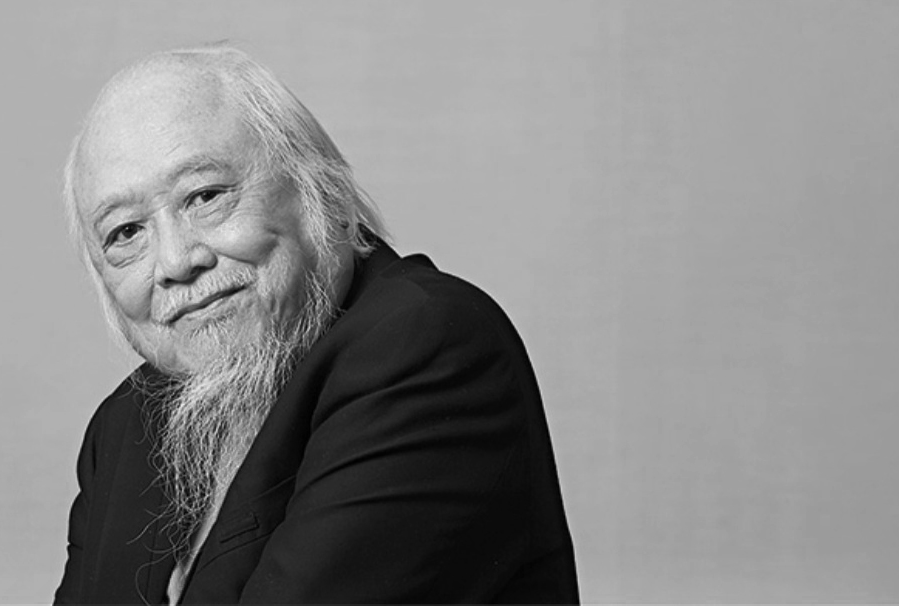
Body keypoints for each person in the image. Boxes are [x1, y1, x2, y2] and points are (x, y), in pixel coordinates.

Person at [54, 43, 578, 605]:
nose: (177, 261)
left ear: (319, 189)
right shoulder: (123, 427)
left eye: (205, 196)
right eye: (126, 233)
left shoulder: (428, 346)